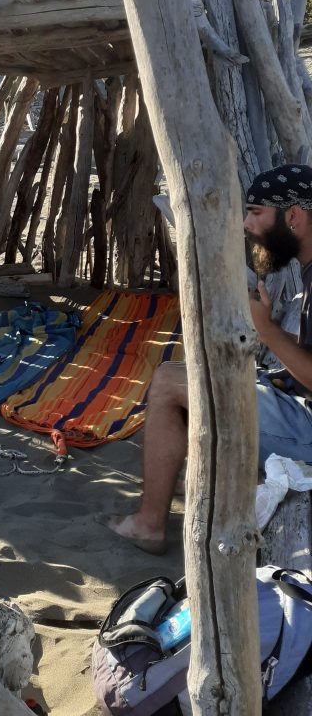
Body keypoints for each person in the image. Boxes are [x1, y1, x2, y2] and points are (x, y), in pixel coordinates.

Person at [99, 164, 312, 555]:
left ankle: (148, 525)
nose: (247, 224)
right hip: (296, 409)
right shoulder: (305, 268)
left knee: (168, 383)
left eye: (256, 212)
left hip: (306, 429)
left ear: (293, 216)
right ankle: (198, 482)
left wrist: (264, 329)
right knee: (189, 375)